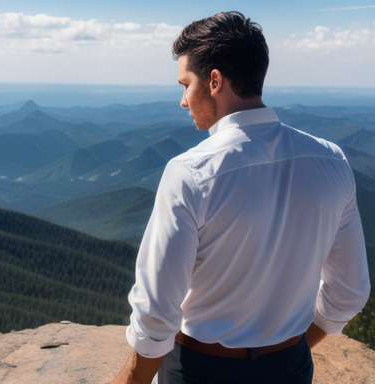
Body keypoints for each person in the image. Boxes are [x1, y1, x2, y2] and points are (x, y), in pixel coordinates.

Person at [111, 11, 370, 384]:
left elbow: (157, 314)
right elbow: (349, 292)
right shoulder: (331, 160)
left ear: (214, 81)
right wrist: (289, 350)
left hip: (201, 370)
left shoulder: (190, 173)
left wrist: (129, 380)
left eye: (186, 84)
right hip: (291, 368)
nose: (183, 100)